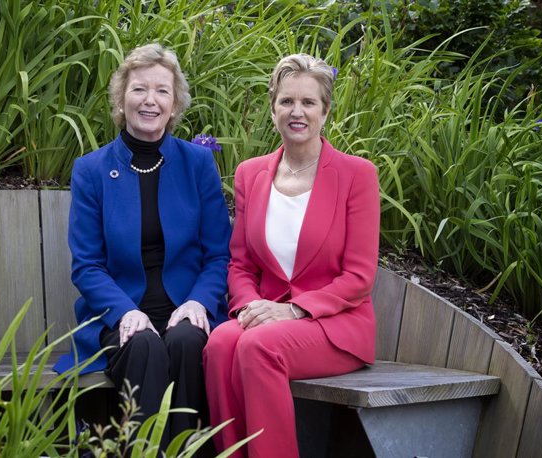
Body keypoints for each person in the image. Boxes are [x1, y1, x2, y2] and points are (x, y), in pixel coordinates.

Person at [203, 54, 380, 457]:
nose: (296, 112)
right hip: (267, 316)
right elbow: (241, 262)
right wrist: (251, 307)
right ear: (273, 108)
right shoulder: (251, 173)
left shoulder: (357, 175)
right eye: (286, 101)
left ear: (325, 111)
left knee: (258, 347)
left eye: (308, 103)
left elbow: (359, 276)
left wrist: (294, 310)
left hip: (334, 325)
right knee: (219, 344)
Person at [53, 43, 232, 440]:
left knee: (186, 341)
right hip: (120, 315)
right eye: (139, 89)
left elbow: (219, 255)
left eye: (162, 91)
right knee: (144, 343)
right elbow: (87, 264)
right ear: (121, 99)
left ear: (174, 103)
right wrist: (123, 312)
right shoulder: (91, 170)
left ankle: (184, 450)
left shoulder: (198, 163)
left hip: (185, 307)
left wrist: (199, 302)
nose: (150, 100)